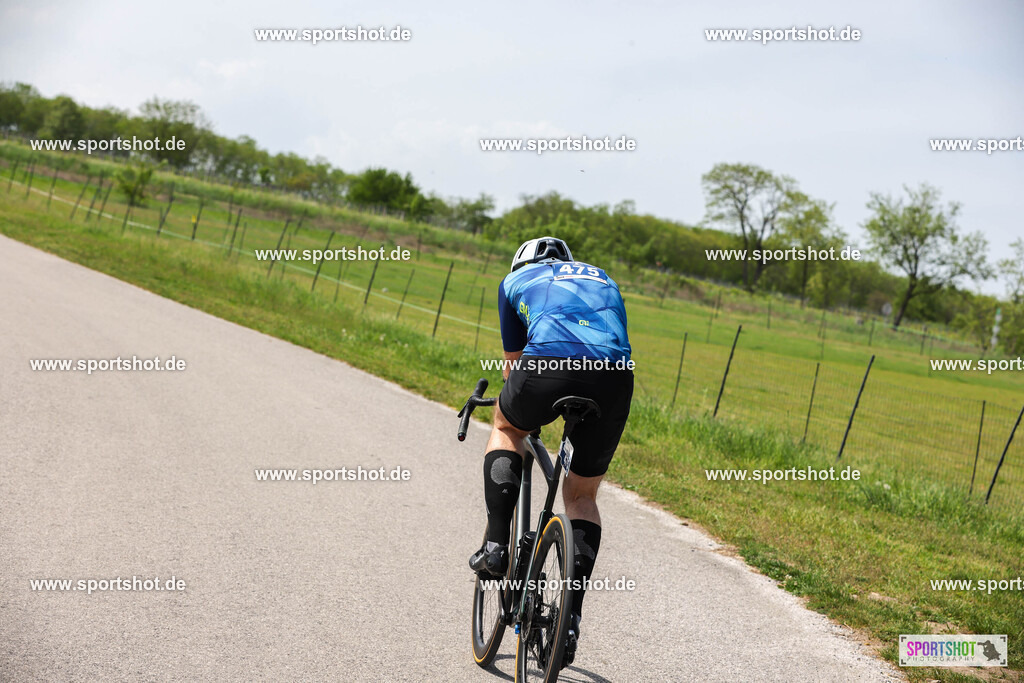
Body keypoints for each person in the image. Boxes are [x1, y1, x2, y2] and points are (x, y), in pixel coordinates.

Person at [469, 236, 634, 667]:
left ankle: (495, 546)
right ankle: (571, 617)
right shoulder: (604, 279)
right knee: (581, 497)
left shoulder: (514, 280)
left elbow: (513, 363)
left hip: (547, 363)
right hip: (613, 376)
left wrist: (525, 411)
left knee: (507, 427)